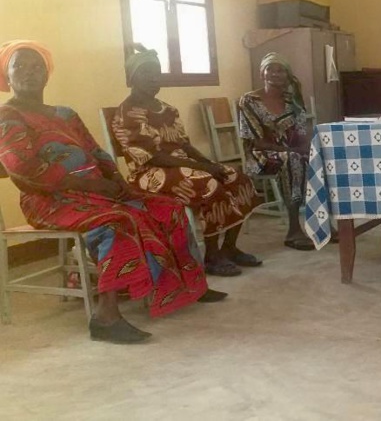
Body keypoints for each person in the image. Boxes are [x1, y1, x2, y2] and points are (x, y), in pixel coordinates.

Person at [0, 41, 226, 344]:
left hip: (96, 191)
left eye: (36, 66)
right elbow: (24, 169)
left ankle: (191, 285)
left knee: (167, 207)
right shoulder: (7, 116)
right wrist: (92, 185)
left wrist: (117, 181)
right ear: (6, 74)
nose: (30, 72)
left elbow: (96, 151)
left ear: (47, 73)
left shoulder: (65, 114)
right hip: (49, 200)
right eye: (20, 66)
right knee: (116, 221)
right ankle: (106, 316)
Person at [112, 47, 263, 277]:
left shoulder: (168, 109)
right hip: (150, 173)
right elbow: (154, 157)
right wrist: (204, 169)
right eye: (147, 72)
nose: (154, 77)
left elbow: (185, 145)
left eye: (157, 71)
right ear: (132, 77)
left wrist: (212, 164)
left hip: (181, 167)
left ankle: (229, 247)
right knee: (208, 185)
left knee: (237, 178)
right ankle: (212, 255)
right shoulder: (129, 112)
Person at [238, 52, 314, 250]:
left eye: (281, 70)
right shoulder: (249, 101)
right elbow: (257, 142)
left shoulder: (293, 100)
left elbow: (301, 132)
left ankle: (322, 224)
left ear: (288, 76)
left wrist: (309, 148)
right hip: (260, 155)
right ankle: (294, 229)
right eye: (270, 68)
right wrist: (294, 150)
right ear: (262, 73)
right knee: (293, 159)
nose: (275, 73)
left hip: (291, 151)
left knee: (320, 158)